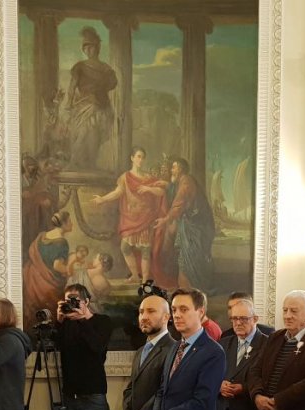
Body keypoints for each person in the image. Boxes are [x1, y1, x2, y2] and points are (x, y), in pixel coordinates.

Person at [91, 148, 166, 283]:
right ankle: (135, 276)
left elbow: (161, 192)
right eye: (138, 156)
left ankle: (145, 281)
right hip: (130, 218)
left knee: (145, 249)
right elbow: (118, 192)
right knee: (125, 247)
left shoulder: (148, 178)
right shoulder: (125, 177)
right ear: (132, 158)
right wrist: (102, 199)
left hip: (145, 217)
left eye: (142, 157)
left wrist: (149, 188)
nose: (140, 160)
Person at [154, 157, 216, 291]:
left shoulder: (186, 182)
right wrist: (167, 185)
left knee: (188, 255)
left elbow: (179, 202)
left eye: (173, 167)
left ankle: (188, 287)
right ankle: (188, 286)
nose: (171, 170)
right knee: (185, 254)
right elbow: (176, 191)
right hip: (191, 224)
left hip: (197, 226)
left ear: (180, 169)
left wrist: (165, 219)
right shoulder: (182, 181)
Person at [64, 25, 118, 170]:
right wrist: (69, 103)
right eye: (85, 47)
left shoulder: (106, 68)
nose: (88, 50)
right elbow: (72, 86)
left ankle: (91, 164)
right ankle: (76, 161)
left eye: (91, 47)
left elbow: (113, 83)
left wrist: (100, 90)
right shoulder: (79, 67)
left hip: (102, 106)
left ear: (97, 48)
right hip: (84, 106)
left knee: (95, 135)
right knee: (83, 133)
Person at [219, 297, 267, 410]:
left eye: (244, 319)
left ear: (255, 319)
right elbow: (211, 375)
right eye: (234, 318)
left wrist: (244, 388)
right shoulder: (223, 344)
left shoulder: (268, 344)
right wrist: (219, 385)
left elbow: (269, 380)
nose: (238, 323)